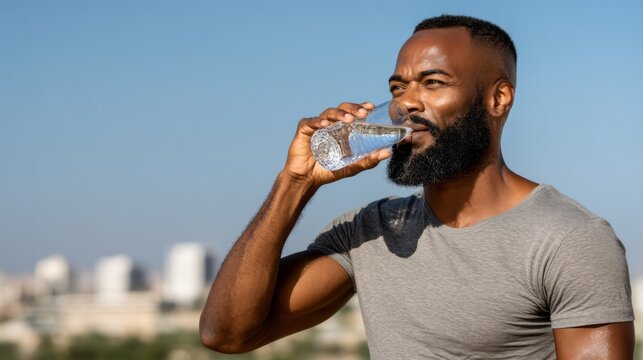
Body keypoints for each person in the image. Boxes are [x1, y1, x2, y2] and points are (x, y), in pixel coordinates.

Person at [199, 15, 635, 359]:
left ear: (498, 99)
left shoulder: (570, 240)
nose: (405, 102)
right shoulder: (369, 232)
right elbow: (228, 334)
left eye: (432, 82)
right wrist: (293, 184)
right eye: (398, 87)